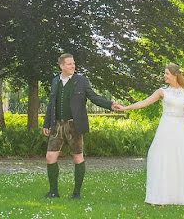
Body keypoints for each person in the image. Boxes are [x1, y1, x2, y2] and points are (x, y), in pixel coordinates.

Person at [121, 63, 184, 205]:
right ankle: (162, 194)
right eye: (165, 73)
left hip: (181, 128)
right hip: (166, 127)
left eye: (167, 73)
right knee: (159, 156)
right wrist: (125, 107)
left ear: (175, 75)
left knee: (182, 158)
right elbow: (144, 102)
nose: (164, 76)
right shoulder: (162, 91)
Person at [42, 53, 124, 199]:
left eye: (73, 63)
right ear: (61, 66)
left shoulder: (81, 81)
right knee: (50, 157)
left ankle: (76, 193)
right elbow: (51, 104)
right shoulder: (55, 81)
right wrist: (46, 123)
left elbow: (94, 97)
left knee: (77, 158)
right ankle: (53, 192)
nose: (73, 66)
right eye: (69, 64)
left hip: (75, 125)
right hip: (57, 125)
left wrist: (110, 105)